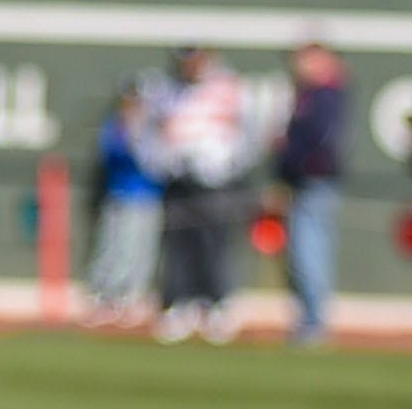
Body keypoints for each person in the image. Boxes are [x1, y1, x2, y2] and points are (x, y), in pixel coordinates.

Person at [143, 39, 256, 344]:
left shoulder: (229, 86)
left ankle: (217, 304)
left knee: (215, 244)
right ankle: (180, 304)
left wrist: (226, 164)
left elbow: (248, 134)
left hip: (216, 179)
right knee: (179, 246)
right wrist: (164, 162)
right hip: (178, 178)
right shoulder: (166, 89)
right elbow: (154, 133)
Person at [271, 41, 346, 347]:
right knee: (302, 253)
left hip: (314, 183)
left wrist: (289, 157)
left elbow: (319, 144)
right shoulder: (310, 95)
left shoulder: (325, 96)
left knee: (309, 253)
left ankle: (313, 322)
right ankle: (308, 319)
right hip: (303, 183)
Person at [83, 78, 162, 327]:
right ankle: (105, 297)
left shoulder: (152, 127)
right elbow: (114, 155)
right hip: (121, 195)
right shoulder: (115, 126)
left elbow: (158, 161)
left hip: (148, 197)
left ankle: (131, 298)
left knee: (141, 251)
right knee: (115, 248)